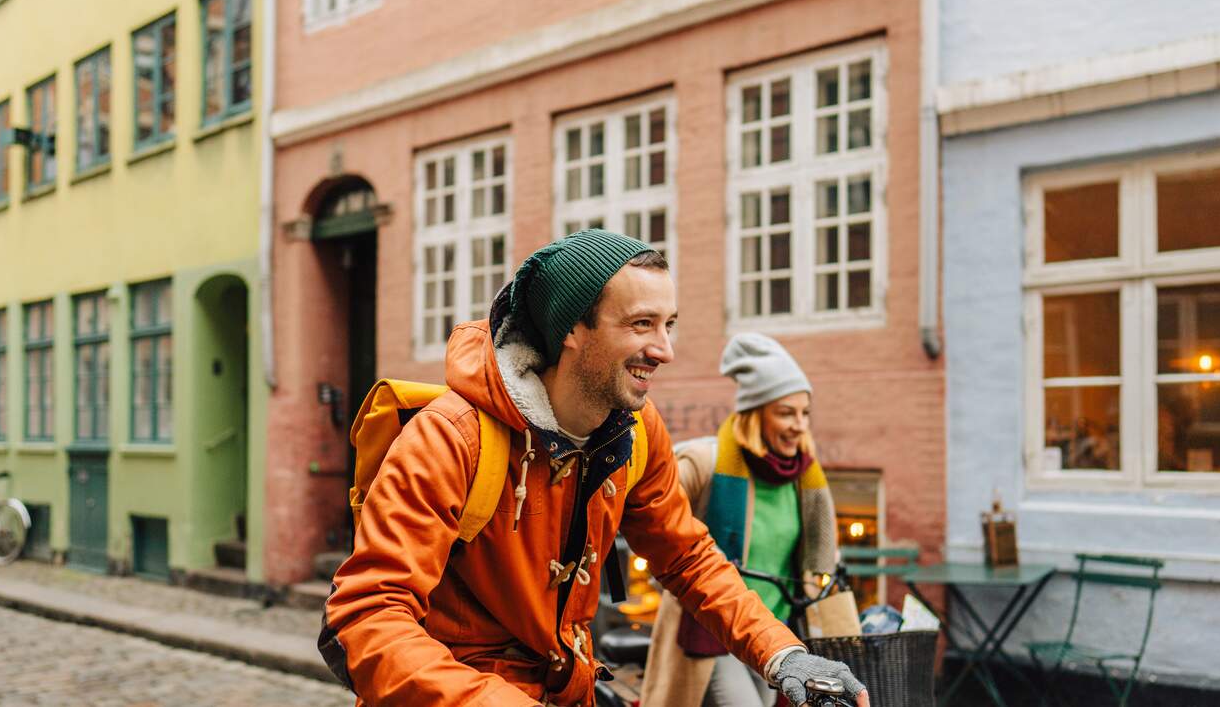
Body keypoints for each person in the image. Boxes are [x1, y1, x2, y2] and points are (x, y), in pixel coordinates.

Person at [320, 230, 867, 707]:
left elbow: (687, 556)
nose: (664, 349)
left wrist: (782, 653)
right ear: (571, 329)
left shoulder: (636, 429)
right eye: (641, 324)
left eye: (669, 325)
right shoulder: (451, 437)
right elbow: (368, 617)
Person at [640, 333, 839, 707]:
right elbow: (650, 518)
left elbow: (816, 560)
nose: (799, 425)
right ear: (755, 414)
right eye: (786, 412)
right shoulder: (705, 464)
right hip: (712, 630)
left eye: (805, 413)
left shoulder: (804, 479)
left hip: (772, 631)